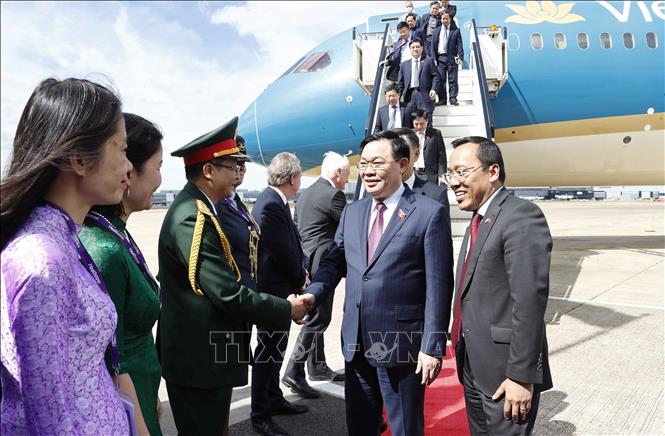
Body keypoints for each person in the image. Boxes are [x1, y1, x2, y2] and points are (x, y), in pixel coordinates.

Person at [157, 117, 311, 436]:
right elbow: (226, 293)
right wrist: (287, 308)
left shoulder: (206, 208)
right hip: (200, 357)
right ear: (209, 171)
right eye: (231, 166)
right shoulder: (193, 217)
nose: (238, 173)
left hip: (212, 351)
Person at [1, 77, 132, 434]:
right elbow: (49, 418)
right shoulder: (41, 262)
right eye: (121, 150)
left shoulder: (64, 241)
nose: (128, 167)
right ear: (79, 159)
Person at [302, 130, 454, 436]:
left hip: (402, 345)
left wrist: (432, 346)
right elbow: (334, 262)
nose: (368, 171)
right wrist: (312, 295)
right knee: (359, 426)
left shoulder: (428, 213)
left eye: (377, 163)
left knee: (405, 428)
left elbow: (439, 286)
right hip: (356, 343)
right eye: (364, 164)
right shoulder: (353, 212)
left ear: (402, 164)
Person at [446, 136, 553, 435]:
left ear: (492, 171)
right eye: (450, 174)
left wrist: (521, 376)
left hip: (506, 373)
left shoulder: (521, 216)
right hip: (474, 364)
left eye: (461, 172)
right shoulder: (479, 220)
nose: (453, 182)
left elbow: (529, 303)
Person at [79, 113, 164, 436]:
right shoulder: (104, 249)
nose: (160, 179)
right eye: (158, 167)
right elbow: (110, 354)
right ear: (129, 172)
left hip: (140, 392)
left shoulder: (117, 233)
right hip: (125, 406)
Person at [250, 152, 310, 436]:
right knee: (267, 353)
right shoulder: (271, 204)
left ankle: (273, 398)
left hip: (278, 291)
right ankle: (261, 415)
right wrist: (300, 280)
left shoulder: (274, 201)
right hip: (273, 293)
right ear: (293, 178)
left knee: (275, 351)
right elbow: (282, 251)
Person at [282, 152, 350, 397]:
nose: (347, 180)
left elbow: (297, 227)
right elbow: (351, 226)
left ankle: (317, 367)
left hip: (307, 262)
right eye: (347, 175)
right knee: (319, 319)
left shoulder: (306, 193)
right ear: (338, 173)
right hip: (323, 264)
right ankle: (294, 369)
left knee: (315, 316)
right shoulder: (333, 195)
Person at [215, 135, 261, 294]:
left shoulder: (237, 202)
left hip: (247, 293)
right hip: (232, 294)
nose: (240, 169)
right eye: (234, 164)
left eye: (242, 164)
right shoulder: (215, 205)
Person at [394, 127, 450, 208]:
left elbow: (441, 155)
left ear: (416, 154)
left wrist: (441, 173)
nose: (395, 158)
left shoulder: (436, 196)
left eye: (402, 152)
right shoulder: (376, 192)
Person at [396, 39, 440, 125]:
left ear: (422, 48)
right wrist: (398, 97)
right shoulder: (404, 65)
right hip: (409, 97)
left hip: (425, 95)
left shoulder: (428, 61)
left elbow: (436, 76)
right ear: (410, 49)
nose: (415, 49)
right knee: (409, 122)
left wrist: (434, 89)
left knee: (427, 122)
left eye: (417, 47)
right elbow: (400, 84)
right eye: (413, 47)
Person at [430, 13, 464, 106]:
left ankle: (453, 98)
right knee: (441, 80)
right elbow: (433, 46)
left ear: (450, 19)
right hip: (440, 59)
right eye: (443, 19)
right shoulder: (436, 31)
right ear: (441, 20)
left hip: (452, 58)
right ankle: (442, 99)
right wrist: (434, 58)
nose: (445, 20)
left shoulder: (455, 31)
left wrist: (460, 57)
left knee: (453, 80)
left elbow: (459, 44)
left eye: (446, 18)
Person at [411, 109, 447, 184]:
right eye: (416, 124)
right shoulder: (409, 134)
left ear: (427, 121)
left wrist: (442, 174)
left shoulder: (435, 133)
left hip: (430, 175)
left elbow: (441, 155)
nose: (419, 127)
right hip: (413, 174)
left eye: (422, 124)